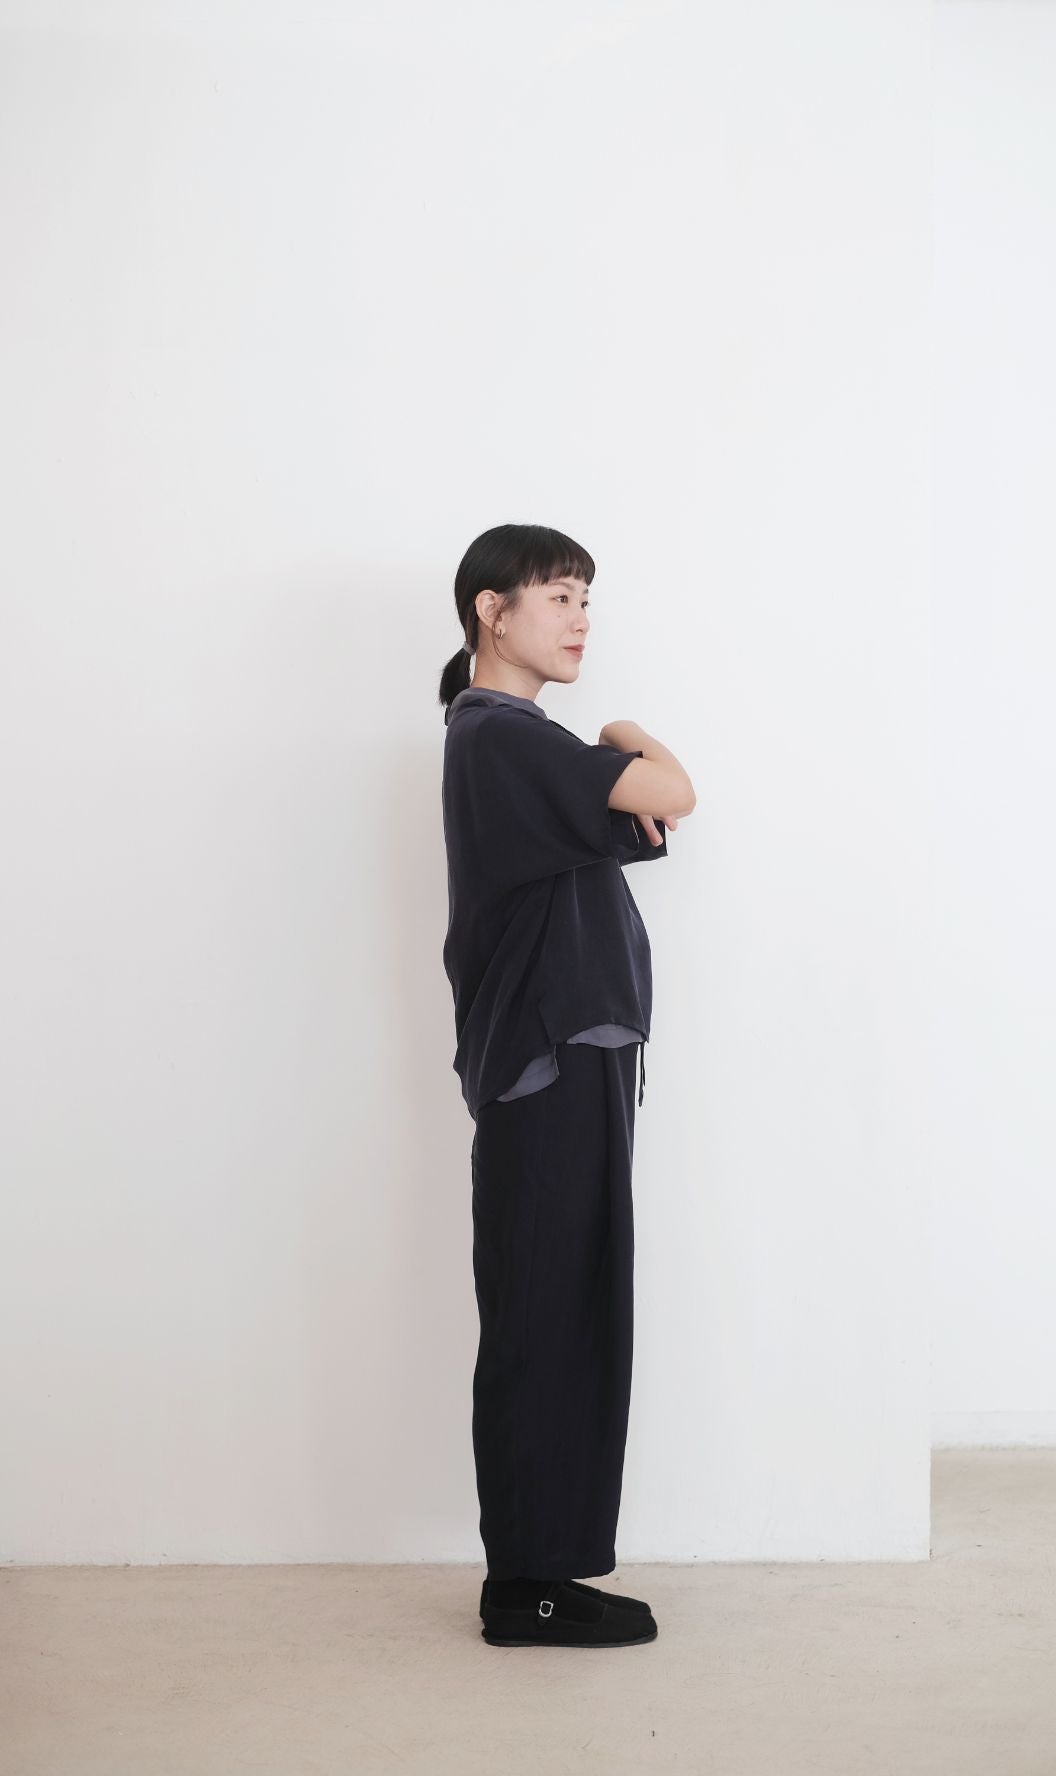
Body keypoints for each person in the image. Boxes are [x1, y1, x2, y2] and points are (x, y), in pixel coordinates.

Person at [438, 523, 696, 1648]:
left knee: (565, 1304)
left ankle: (542, 1570)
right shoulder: (504, 737)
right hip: (548, 1062)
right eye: (557, 596)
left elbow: (642, 818)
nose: (580, 618)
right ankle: (525, 1586)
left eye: (586, 598)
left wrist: (604, 756)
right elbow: (672, 789)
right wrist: (621, 729)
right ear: (491, 612)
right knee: (547, 1308)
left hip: (569, 1058)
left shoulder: (515, 743)